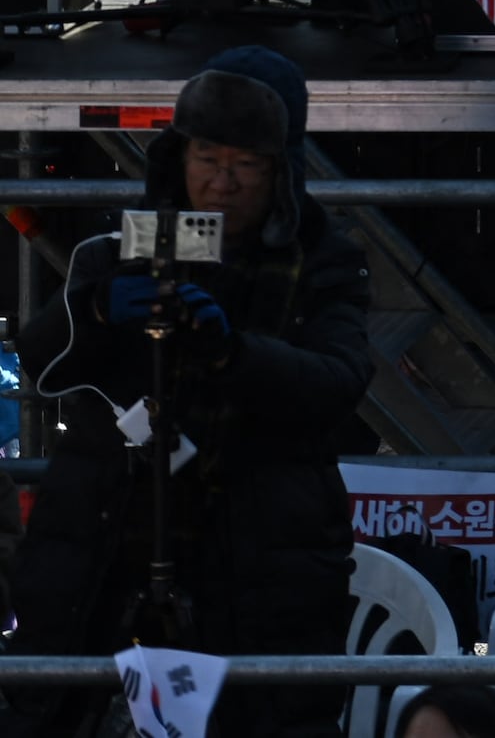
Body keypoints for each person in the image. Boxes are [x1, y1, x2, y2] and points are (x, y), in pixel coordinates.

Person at [4, 53, 375, 737]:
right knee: (49, 713)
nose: (221, 182)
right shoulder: (112, 248)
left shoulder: (327, 261)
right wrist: (96, 310)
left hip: (259, 564)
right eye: (207, 155)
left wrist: (234, 351)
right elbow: (41, 363)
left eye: (247, 164)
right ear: (179, 154)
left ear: (282, 172)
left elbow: (339, 380)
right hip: (101, 546)